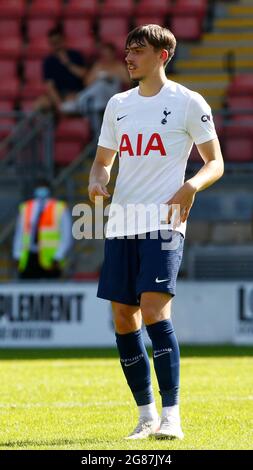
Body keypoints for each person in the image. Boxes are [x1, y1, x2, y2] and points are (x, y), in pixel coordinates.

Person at [88, 25, 224, 440]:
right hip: (122, 224)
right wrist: (97, 181)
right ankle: (146, 416)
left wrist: (191, 186)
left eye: (138, 51)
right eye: (127, 50)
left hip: (164, 224)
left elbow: (215, 162)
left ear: (162, 56)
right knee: (123, 317)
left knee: (153, 311)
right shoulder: (118, 104)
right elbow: (102, 162)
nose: (129, 58)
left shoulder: (187, 102)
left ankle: (172, 417)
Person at [61, 43, 130, 139]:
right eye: (104, 55)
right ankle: (83, 103)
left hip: (112, 97)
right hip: (97, 100)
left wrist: (111, 76)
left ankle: (78, 102)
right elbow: (87, 83)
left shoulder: (119, 66)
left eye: (108, 54)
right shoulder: (98, 66)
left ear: (113, 54)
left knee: (101, 86)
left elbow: (128, 82)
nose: (106, 57)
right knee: (98, 88)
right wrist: (97, 76)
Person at [13, 178, 72, 279]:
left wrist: (59, 255)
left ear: (49, 189)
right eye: (39, 187)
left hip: (51, 260)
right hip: (29, 257)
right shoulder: (27, 207)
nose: (41, 190)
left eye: (43, 187)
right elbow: (20, 233)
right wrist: (17, 254)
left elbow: (66, 236)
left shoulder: (59, 207)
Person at [34, 27, 87, 113]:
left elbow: (84, 75)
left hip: (75, 93)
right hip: (58, 95)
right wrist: (59, 104)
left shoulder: (76, 55)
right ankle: (46, 126)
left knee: (71, 103)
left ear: (63, 40)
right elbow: (49, 86)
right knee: (40, 104)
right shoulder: (48, 61)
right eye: (53, 43)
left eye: (57, 42)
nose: (56, 45)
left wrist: (68, 63)